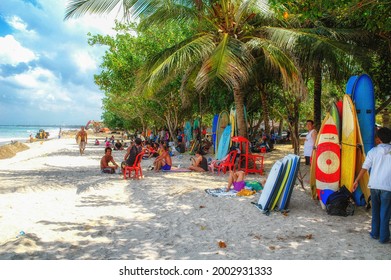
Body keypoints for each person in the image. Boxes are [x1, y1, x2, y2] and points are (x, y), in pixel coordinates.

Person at [353, 127, 391, 244]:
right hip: (388, 187)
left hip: (374, 185)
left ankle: (375, 233)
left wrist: (356, 181)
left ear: (378, 139)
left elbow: (364, 168)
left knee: (375, 211)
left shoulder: (373, 152)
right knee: (385, 212)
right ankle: (384, 238)